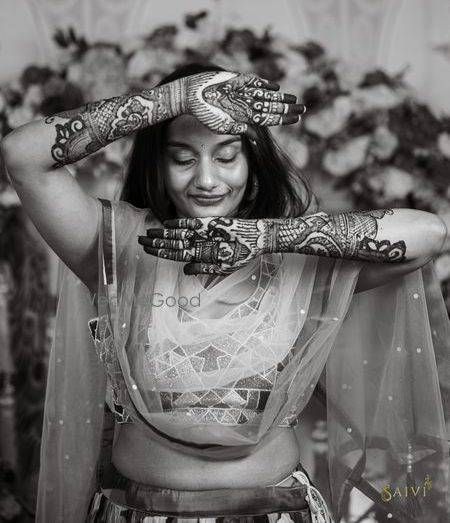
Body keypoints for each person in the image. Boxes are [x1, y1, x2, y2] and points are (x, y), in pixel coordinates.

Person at [1, 63, 449, 523]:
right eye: (183, 159)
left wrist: (268, 237)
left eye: (227, 156)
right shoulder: (119, 244)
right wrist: (173, 99)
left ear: (253, 166)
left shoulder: (298, 259)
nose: (207, 180)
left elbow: (429, 234)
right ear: (159, 166)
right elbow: (21, 155)